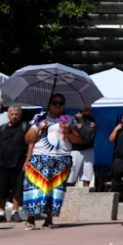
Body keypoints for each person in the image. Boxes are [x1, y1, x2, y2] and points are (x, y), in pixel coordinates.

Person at [23, 93, 79, 229]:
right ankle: (30, 219)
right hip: (39, 157)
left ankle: (49, 220)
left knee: (55, 190)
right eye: (55, 103)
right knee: (34, 187)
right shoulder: (39, 118)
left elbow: (77, 140)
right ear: (48, 105)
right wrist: (39, 127)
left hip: (61, 159)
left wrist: (70, 131)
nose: (58, 106)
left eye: (61, 103)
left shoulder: (69, 120)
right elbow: (28, 139)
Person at [0, 106, 27, 223]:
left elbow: (31, 144)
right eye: (12, 114)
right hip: (2, 164)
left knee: (17, 189)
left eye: (16, 114)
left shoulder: (25, 127)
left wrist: (27, 161)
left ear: (20, 115)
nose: (14, 116)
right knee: (1, 189)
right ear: (8, 115)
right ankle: (1, 213)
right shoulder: (2, 128)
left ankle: (15, 212)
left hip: (19, 164)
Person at [68, 107, 98, 188]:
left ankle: (85, 192)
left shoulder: (91, 119)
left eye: (90, 110)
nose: (89, 112)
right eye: (87, 110)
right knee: (72, 173)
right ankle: (69, 193)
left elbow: (94, 131)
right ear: (82, 108)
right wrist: (75, 129)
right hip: (76, 149)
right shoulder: (73, 119)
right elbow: (66, 132)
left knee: (88, 171)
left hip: (88, 148)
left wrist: (94, 127)